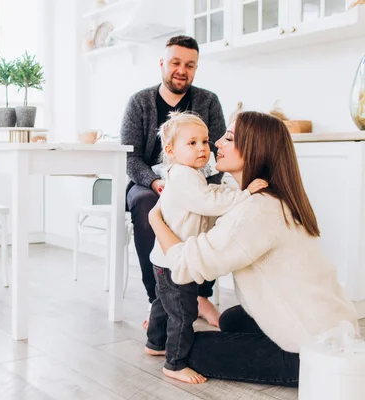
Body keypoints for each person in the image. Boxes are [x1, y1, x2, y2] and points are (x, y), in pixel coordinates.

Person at [145, 111, 359, 387]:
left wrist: (155, 219)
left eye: (229, 138)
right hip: (329, 322)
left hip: (311, 350)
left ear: (255, 149)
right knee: (232, 319)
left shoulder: (256, 210)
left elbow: (185, 266)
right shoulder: (269, 196)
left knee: (189, 350)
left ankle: (293, 360)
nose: (216, 144)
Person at [149, 111, 268, 384]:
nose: (203, 148)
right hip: (175, 260)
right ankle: (175, 363)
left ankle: (154, 342)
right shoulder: (184, 176)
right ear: (170, 150)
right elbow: (207, 203)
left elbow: (210, 195)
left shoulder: (187, 173)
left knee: (162, 304)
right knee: (183, 312)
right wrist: (246, 193)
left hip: (164, 258)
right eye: (192, 143)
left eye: (204, 141)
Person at [121, 35, 226, 327]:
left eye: (190, 65)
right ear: (162, 63)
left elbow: (217, 151)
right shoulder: (139, 103)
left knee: (211, 207)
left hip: (197, 179)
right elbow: (130, 158)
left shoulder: (208, 101)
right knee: (146, 207)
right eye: (176, 62)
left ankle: (200, 296)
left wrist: (202, 189)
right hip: (150, 183)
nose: (182, 70)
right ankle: (159, 300)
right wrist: (155, 183)